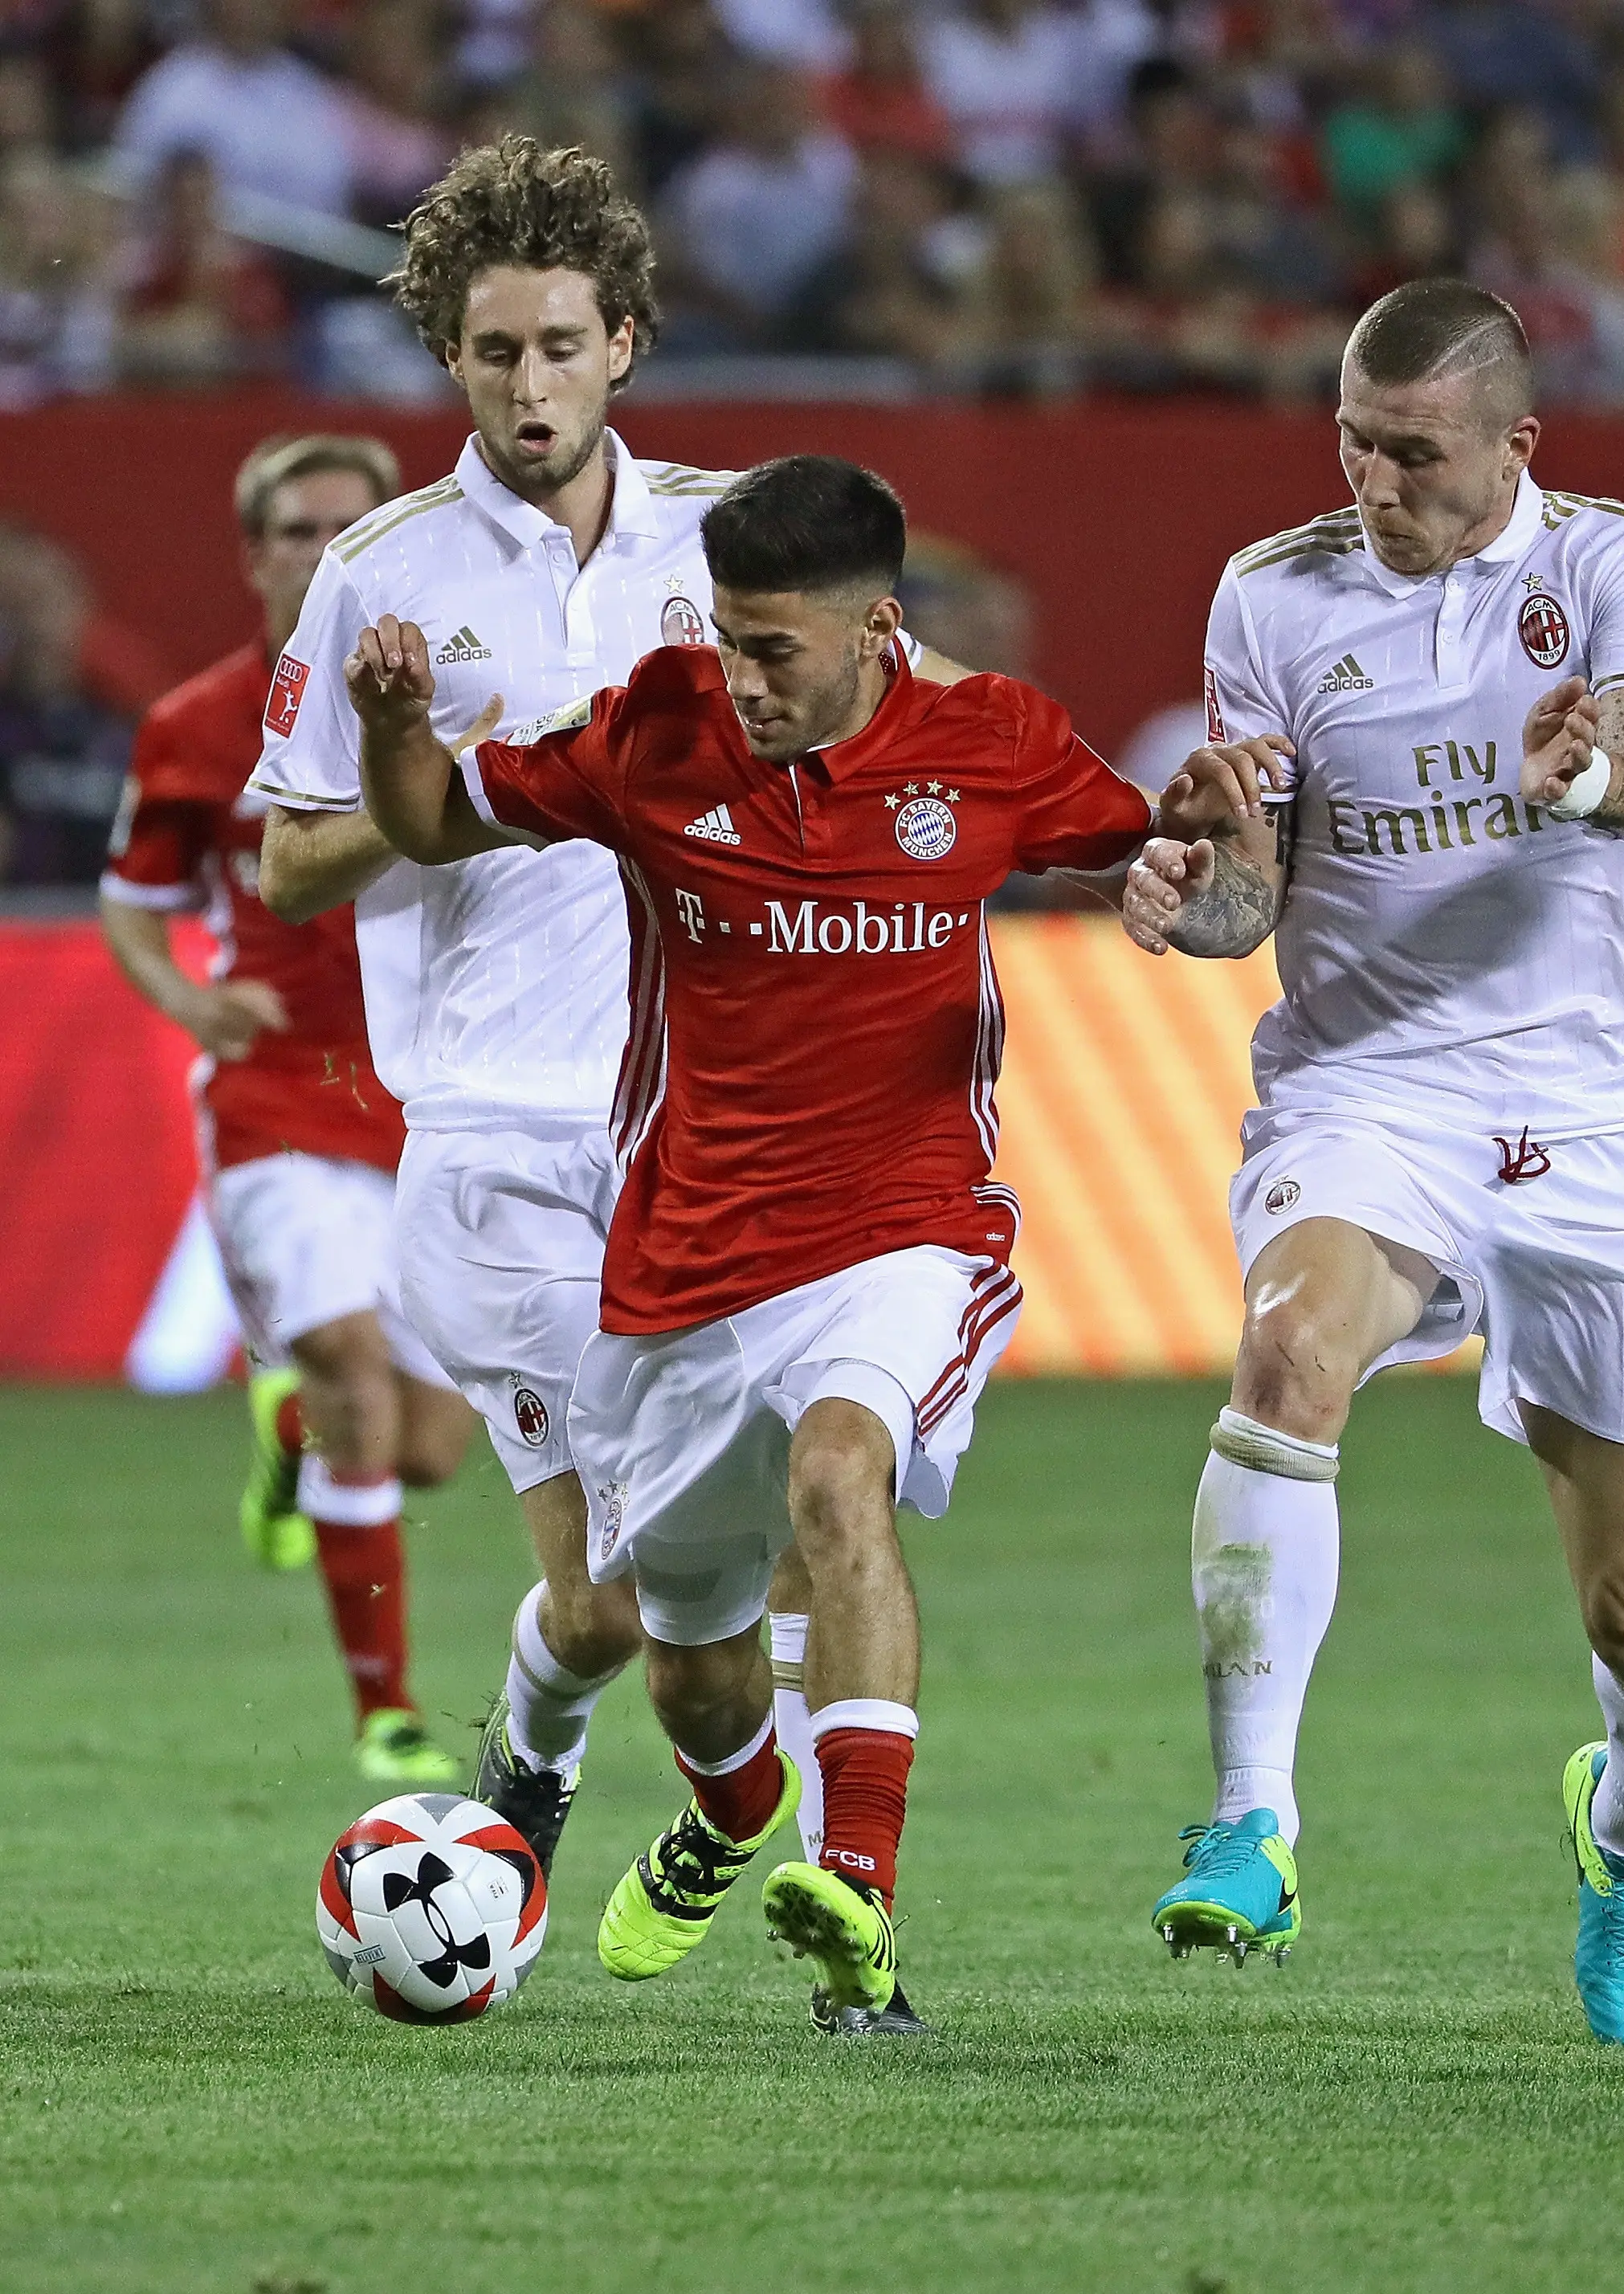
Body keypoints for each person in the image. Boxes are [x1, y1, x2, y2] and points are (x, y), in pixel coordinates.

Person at [344, 452, 1260, 2023]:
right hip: (688, 1264)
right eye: (727, 633)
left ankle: (863, 1919)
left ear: (876, 629)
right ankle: (735, 1814)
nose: (743, 677)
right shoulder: (656, 727)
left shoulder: (995, 746)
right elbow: (428, 823)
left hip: (903, 1227)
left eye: (774, 648)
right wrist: (385, 726)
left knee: (844, 1475)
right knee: (686, 1664)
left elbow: (1213, 910)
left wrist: (1228, 855)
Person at [247, 142, 965, 2031]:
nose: (530, 385)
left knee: (806, 1525)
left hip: (735, 1126)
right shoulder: (378, 578)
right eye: (492, 352)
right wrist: (433, 766)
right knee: (646, 1614)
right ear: (451, 361)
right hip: (499, 1150)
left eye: (562, 344)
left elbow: (927, 724)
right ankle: (695, 1792)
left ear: (624, 343)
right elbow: (287, 864)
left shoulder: (735, 538)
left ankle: (824, 1915)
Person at [1124, 279, 1624, 2049]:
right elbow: (1253, 886)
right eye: (1352, 442)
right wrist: (1191, 895)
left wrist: (1587, 775)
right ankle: (1253, 1821)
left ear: (1513, 447)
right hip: (1368, 1090)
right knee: (1288, 1355)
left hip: (1595, 1124)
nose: (1375, 481)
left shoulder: (1620, 555)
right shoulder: (1273, 591)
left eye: (1414, 452)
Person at [100, 433, 477, 1786]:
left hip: (424, 1096)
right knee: (364, 1393)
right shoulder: (197, 725)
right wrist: (187, 1001)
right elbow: (132, 902)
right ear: (254, 556)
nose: (326, 553)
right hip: (276, 1096)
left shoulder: (449, 696)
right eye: (299, 530)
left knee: (431, 1448)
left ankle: (291, 1435)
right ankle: (386, 1711)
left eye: (350, 529)